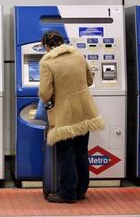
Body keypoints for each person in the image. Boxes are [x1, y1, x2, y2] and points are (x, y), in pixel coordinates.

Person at [39, 31, 105, 203]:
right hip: (85, 111)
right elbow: (89, 81)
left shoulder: (47, 62)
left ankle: (67, 193)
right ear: (62, 42)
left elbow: (45, 94)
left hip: (65, 115)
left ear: (46, 46)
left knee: (66, 153)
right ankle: (80, 190)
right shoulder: (78, 55)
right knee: (81, 152)